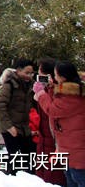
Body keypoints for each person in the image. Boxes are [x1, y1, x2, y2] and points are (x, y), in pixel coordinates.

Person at [34, 60, 85, 187]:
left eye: (55, 75)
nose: (54, 78)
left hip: (76, 153)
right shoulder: (68, 91)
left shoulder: (72, 95)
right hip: (68, 150)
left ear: (62, 77)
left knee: (76, 179)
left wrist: (40, 94)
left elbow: (52, 110)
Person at [0, 58, 36, 175]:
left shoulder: (31, 86)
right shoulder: (9, 85)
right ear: (18, 71)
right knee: (15, 158)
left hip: (24, 128)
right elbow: (0, 106)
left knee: (28, 158)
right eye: (27, 72)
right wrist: (9, 126)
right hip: (11, 128)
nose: (29, 75)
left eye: (31, 73)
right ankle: (12, 179)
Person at [33, 58, 66, 186]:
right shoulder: (43, 90)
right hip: (43, 139)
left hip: (55, 141)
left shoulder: (59, 92)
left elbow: (52, 111)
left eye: (41, 74)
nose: (39, 77)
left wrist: (43, 93)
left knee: (54, 177)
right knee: (43, 176)